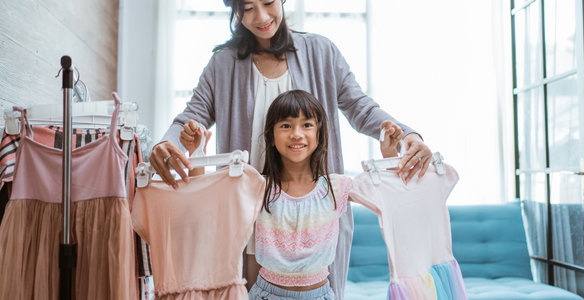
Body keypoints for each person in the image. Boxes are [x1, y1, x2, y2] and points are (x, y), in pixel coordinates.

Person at [149, 0, 432, 298]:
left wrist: (407, 136)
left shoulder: (321, 53)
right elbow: (191, 117)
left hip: (315, 219)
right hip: (252, 219)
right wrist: (168, 142)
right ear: (235, 11)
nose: (261, 16)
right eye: (247, 8)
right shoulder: (223, 64)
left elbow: (360, 106)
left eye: (268, 2)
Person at [181, 90, 405, 299]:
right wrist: (197, 153)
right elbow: (206, 198)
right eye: (286, 126)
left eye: (306, 125)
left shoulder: (337, 187)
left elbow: (389, 194)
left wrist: (388, 154)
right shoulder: (257, 185)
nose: (297, 134)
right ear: (271, 136)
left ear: (319, 134)